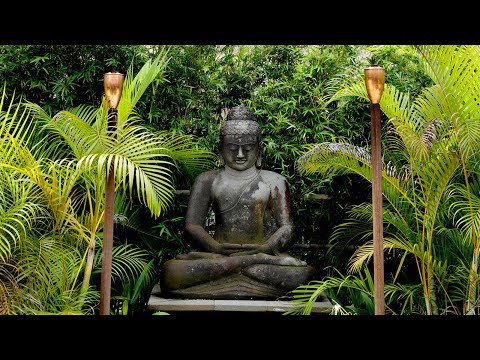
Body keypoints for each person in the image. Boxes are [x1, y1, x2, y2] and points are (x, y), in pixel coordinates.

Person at [160, 104, 315, 300]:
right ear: (221, 149)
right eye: (232, 149)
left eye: (247, 149)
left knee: (303, 276)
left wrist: (265, 248)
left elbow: (288, 227)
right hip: (218, 256)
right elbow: (192, 226)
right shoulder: (207, 180)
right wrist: (215, 247)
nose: (240, 155)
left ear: (259, 150)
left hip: (263, 257)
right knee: (171, 272)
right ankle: (244, 269)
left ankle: (235, 273)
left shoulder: (274, 181)